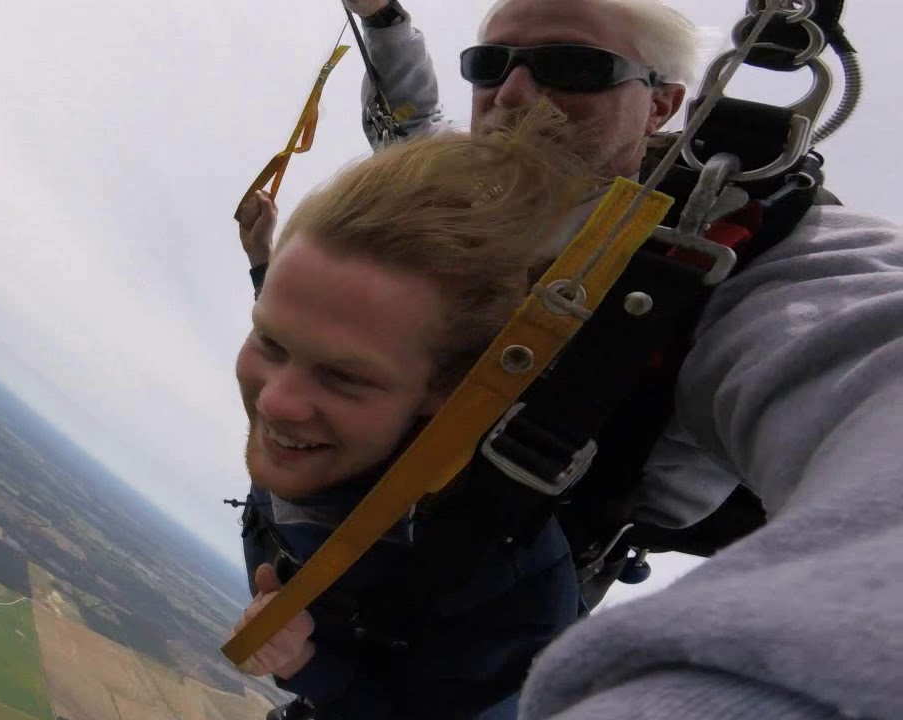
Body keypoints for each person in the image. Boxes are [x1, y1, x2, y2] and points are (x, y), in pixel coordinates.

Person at [237, 0, 903, 718]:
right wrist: (387, 23)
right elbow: (414, 128)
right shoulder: (460, 202)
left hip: (486, 626)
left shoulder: (734, 254)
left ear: (663, 104)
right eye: (490, 65)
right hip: (335, 565)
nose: (515, 95)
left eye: (576, 68)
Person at [230, 106, 604, 719]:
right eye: (270, 341)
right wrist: (261, 259)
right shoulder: (335, 409)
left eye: (345, 376)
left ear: (448, 388)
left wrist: (306, 665)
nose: (276, 401)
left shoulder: (506, 580)